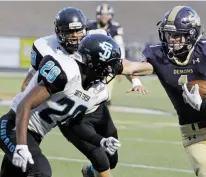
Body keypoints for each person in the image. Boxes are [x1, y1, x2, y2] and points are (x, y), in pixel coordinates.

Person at [121, 6, 206, 177]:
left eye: (177, 35)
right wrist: (105, 57)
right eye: (168, 35)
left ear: (192, 35)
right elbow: (130, 67)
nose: (171, 40)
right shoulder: (160, 57)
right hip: (194, 135)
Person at [19, 7, 146, 177]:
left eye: (78, 30)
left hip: (95, 104)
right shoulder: (45, 47)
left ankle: (90, 173)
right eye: (69, 31)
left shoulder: (95, 38)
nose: (75, 35)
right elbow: (31, 79)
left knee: (111, 159)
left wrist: (136, 80)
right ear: (59, 32)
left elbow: (117, 63)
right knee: (100, 158)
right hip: (70, 112)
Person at [0, 33, 122, 177]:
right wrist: (21, 145)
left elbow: (74, 125)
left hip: (34, 136)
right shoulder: (66, 72)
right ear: (93, 63)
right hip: (13, 127)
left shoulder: (97, 92)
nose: (109, 72)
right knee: (42, 172)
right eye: (107, 67)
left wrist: (100, 140)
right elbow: (24, 105)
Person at [88, 3, 139, 106]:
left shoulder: (115, 28)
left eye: (107, 14)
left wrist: (121, 63)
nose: (104, 17)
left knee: (109, 79)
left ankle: (106, 99)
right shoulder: (90, 25)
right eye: (102, 14)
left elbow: (120, 46)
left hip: (108, 59)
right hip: (93, 58)